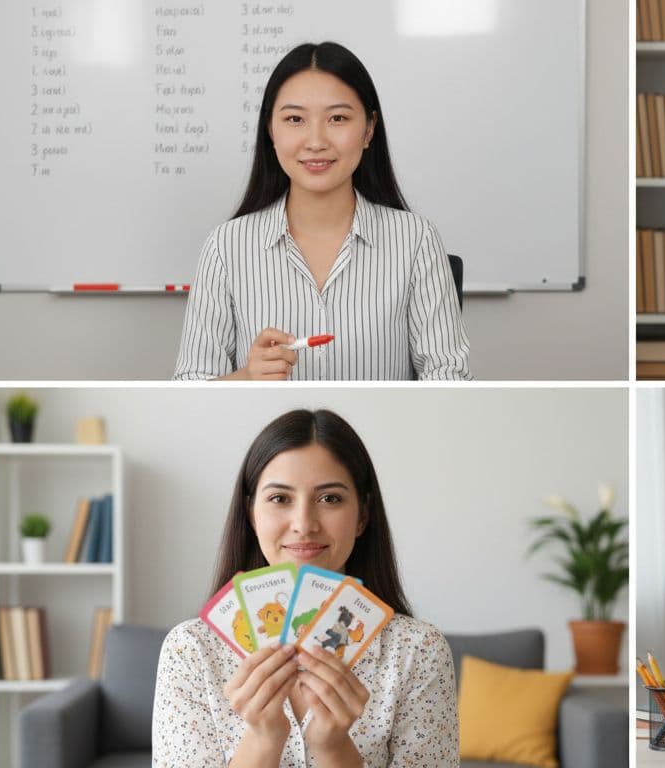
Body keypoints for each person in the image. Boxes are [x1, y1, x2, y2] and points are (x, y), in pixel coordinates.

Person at [152, 409, 459, 766]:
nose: (304, 524)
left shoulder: (417, 651)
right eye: (280, 499)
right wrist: (264, 740)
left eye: (330, 499)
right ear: (252, 514)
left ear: (362, 515)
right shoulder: (190, 650)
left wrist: (332, 748)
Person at [174, 42, 471, 381]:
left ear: (369, 129)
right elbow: (188, 385)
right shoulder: (225, 247)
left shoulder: (416, 240)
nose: (315, 141)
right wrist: (246, 378)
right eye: (295, 119)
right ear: (271, 130)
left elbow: (450, 377)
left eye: (338, 118)